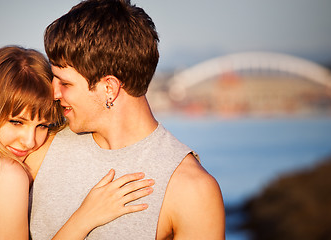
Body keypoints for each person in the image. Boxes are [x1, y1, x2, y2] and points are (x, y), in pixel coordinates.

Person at [0, 45, 154, 240]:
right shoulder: (1, 174)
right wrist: (85, 217)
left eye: (42, 125)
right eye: (16, 122)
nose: (30, 141)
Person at [27, 0, 226, 239]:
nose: (54, 93)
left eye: (65, 83)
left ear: (109, 87)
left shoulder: (191, 189)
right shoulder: (37, 144)